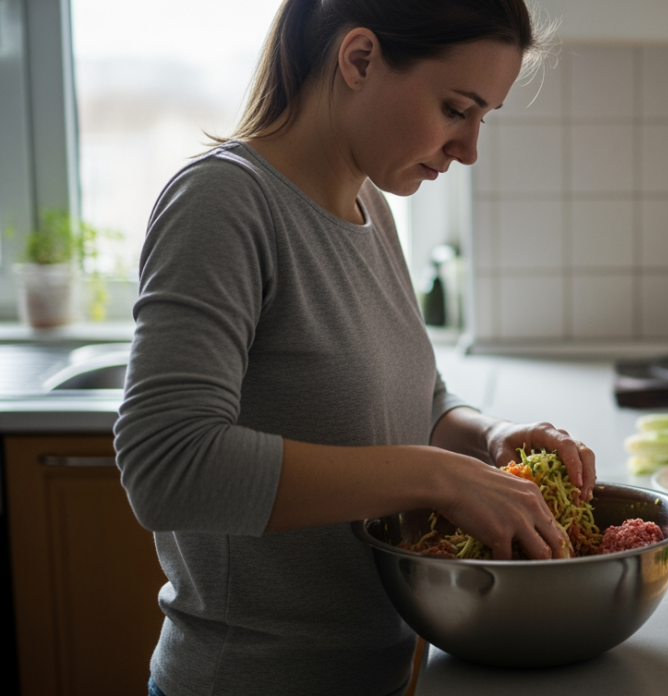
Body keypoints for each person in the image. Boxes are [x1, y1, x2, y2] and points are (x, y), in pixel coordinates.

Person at [113, 2, 588, 695]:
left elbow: (412, 400)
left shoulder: (372, 206)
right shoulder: (223, 202)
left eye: (483, 118)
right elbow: (167, 466)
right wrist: (435, 476)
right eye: (457, 109)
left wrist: (489, 438)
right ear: (359, 58)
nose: (469, 149)